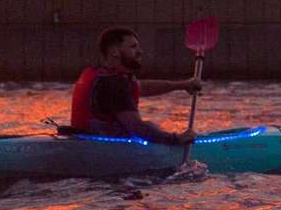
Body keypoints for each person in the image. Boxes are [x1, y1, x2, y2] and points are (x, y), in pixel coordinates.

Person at [70, 27, 203, 144]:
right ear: (115, 52)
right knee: (149, 126)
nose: (140, 51)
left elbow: (141, 87)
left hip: (84, 141)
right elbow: (136, 127)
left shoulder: (101, 75)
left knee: (150, 126)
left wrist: (182, 85)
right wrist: (176, 139)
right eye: (133, 47)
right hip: (103, 149)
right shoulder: (114, 83)